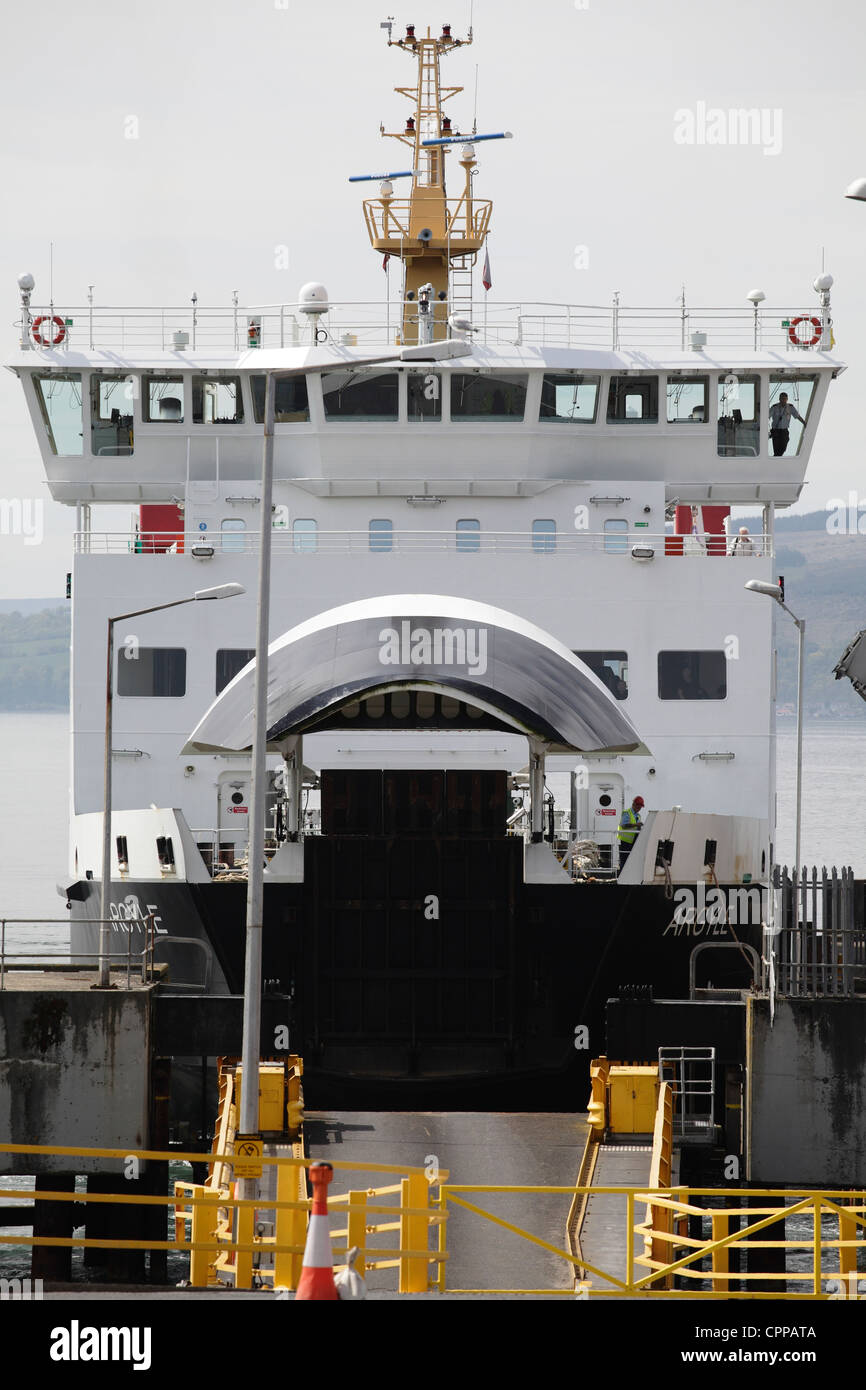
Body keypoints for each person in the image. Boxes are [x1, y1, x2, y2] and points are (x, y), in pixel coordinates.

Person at [769, 393, 805, 457]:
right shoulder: (774, 407)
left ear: (787, 399)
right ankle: (775, 461)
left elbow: (797, 416)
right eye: (782, 398)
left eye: (784, 399)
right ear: (779, 399)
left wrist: (804, 423)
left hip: (784, 431)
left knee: (783, 448)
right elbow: (767, 416)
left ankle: (775, 459)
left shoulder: (790, 407)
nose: (783, 400)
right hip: (776, 431)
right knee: (776, 449)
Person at [617, 795, 644, 873]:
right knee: (624, 859)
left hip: (634, 841)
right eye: (638, 807)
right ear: (634, 805)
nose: (639, 809)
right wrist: (636, 825)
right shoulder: (627, 813)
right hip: (625, 841)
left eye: (640, 808)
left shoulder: (638, 815)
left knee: (632, 859)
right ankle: (622, 876)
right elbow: (624, 825)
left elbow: (637, 827)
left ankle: (630, 874)